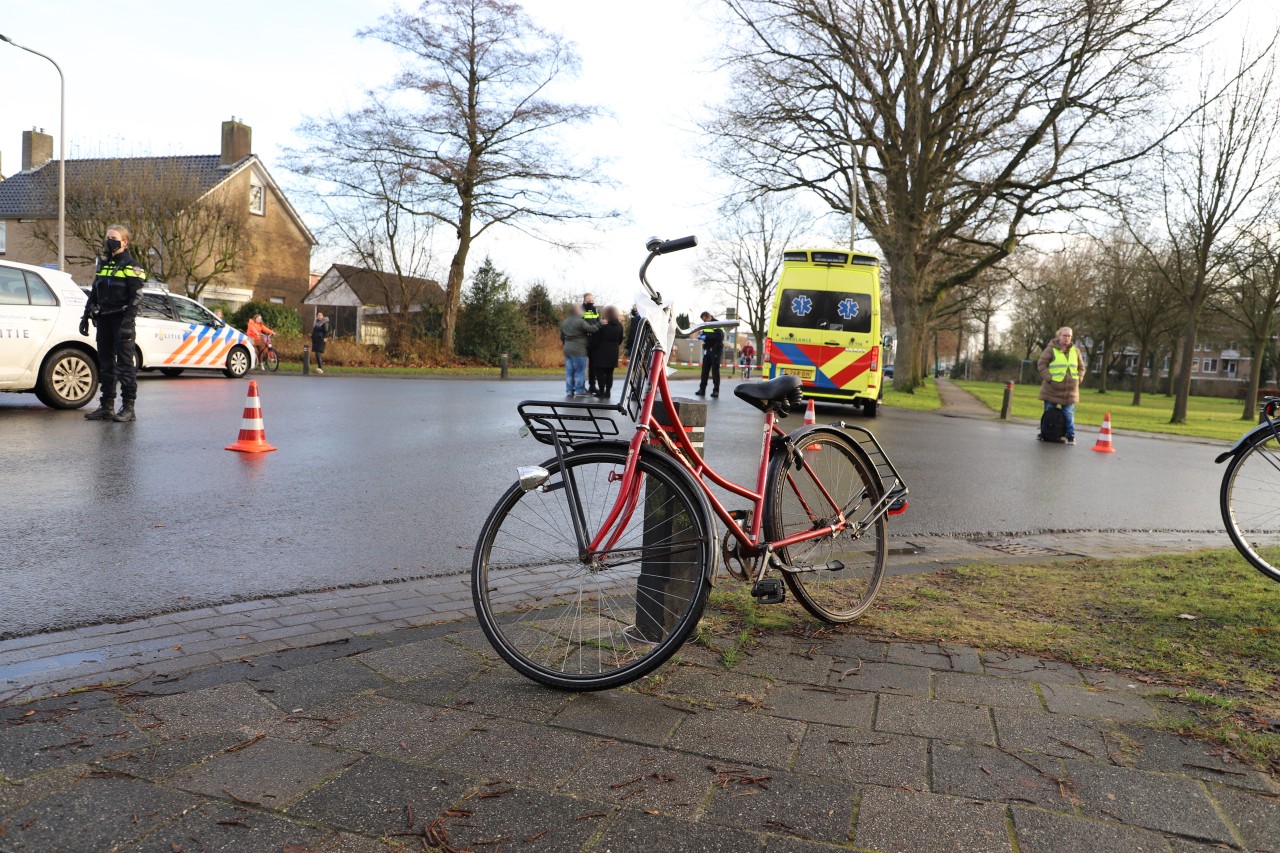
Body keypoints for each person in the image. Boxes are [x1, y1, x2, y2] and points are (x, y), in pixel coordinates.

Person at [80, 224, 146, 422]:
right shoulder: (104, 265)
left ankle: (128, 408)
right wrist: (85, 316)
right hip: (104, 318)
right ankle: (107, 406)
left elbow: (136, 297)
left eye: (114, 238)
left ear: (124, 242)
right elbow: (95, 292)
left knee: (125, 364)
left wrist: (128, 322)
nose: (109, 241)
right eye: (108, 237)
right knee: (106, 364)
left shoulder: (132, 266)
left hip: (121, 319)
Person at [1037, 326, 1086, 444]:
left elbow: (1082, 368)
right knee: (1049, 412)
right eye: (1064, 335)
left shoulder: (1076, 351)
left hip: (1070, 390)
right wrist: (1049, 379)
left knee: (1069, 414)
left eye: (1069, 336)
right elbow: (1041, 364)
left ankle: (1070, 435)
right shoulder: (1050, 349)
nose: (1067, 338)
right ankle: (1045, 433)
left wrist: (1078, 379)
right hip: (1052, 389)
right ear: (1059, 336)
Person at [588, 305, 625, 399]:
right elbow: (620, 339)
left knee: (600, 373)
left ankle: (601, 391)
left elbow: (595, 340)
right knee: (609, 373)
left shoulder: (602, 325)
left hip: (600, 352)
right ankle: (608, 392)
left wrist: (591, 347)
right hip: (613, 353)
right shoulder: (619, 326)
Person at [560, 305, 595, 397]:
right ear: (576, 311)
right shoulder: (580, 322)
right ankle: (580, 390)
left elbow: (562, 337)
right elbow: (591, 329)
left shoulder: (565, 322)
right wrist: (601, 323)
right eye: (581, 310)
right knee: (580, 371)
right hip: (579, 350)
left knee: (569, 372)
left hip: (567, 350)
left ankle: (569, 390)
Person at [694, 311, 725, 398]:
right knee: (704, 370)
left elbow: (719, 337)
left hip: (716, 350)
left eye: (705, 320)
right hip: (707, 349)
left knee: (715, 371)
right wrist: (701, 336)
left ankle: (716, 391)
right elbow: (706, 333)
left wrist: (706, 337)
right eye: (703, 320)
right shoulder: (706, 325)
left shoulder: (717, 324)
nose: (704, 322)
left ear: (709, 317)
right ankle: (702, 389)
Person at [581, 293, 601, 394]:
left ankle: (592, 385)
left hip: (594, 340)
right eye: (589, 301)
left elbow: (598, 322)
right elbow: (580, 324)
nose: (591, 303)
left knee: (593, 365)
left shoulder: (595, 310)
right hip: (584, 340)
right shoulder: (580, 310)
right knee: (582, 365)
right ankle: (581, 386)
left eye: (592, 301)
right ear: (584, 301)